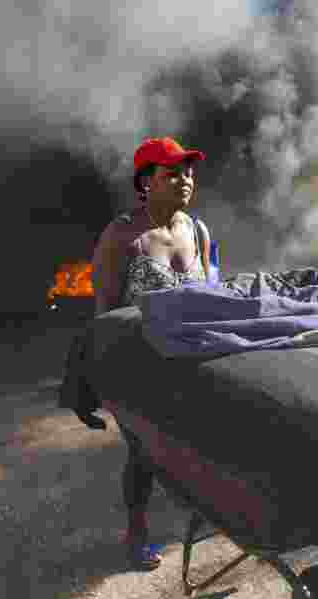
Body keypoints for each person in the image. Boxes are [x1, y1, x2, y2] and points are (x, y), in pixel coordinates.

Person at [91, 137, 210, 570]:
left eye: (189, 172)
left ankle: (211, 514)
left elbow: (212, 294)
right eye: (173, 172)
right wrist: (103, 378)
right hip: (138, 364)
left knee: (202, 444)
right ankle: (137, 532)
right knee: (145, 453)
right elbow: (104, 312)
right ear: (146, 183)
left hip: (196, 360)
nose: (185, 180)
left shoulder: (197, 230)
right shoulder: (122, 236)